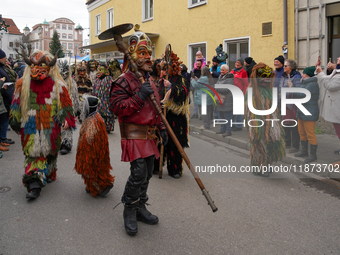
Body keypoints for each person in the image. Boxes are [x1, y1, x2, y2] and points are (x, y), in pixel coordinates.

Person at [110, 26, 168, 236]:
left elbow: (157, 108)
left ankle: (141, 206)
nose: (148, 57)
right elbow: (117, 108)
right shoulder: (123, 81)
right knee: (138, 173)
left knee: (148, 173)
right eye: (142, 54)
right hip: (134, 134)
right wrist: (139, 97)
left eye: (149, 54)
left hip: (150, 135)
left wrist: (161, 128)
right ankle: (129, 210)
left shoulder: (150, 80)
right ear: (133, 55)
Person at [9, 50, 76, 199]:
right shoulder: (22, 84)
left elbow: (66, 105)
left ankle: (49, 171)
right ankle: (34, 183)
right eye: (33, 65)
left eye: (42, 65)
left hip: (51, 127)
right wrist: (15, 121)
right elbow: (15, 106)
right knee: (34, 154)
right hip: (30, 128)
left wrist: (66, 119)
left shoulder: (58, 84)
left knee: (51, 151)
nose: (37, 69)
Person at [245, 63, 285, 177]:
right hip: (257, 122)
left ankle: (266, 164)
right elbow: (250, 111)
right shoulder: (251, 91)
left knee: (271, 142)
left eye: (268, 77)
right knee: (259, 144)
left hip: (271, 121)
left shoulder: (268, 90)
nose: (266, 79)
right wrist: (256, 125)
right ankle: (259, 167)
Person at [74, 94, 114, 197]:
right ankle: (99, 185)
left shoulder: (93, 121)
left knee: (91, 169)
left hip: (93, 152)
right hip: (97, 151)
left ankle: (100, 187)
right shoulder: (95, 117)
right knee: (97, 168)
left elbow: (89, 139)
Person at [160, 51, 190, 178]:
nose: (165, 70)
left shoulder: (181, 79)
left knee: (175, 143)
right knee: (160, 141)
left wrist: (171, 86)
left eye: (167, 68)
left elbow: (184, 93)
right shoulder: (161, 78)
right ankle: (157, 166)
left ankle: (175, 169)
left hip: (176, 118)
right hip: (162, 115)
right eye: (163, 68)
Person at [291, 66, 319, 163]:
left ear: (308, 75)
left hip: (309, 111)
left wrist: (292, 89)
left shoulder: (312, 84)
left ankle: (313, 155)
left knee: (310, 134)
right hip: (302, 110)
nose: (302, 75)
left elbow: (303, 95)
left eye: (304, 73)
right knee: (301, 132)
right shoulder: (305, 83)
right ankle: (304, 151)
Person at [315, 56, 340, 155]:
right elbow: (328, 79)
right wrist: (319, 69)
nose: (338, 58)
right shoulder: (337, 71)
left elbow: (329, 85)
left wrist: (320, 72)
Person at [57, 59, 81, 155]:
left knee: (67, 127)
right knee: (58, 125)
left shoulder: (71, 82)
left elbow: (75, 96)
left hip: (68, 107)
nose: (64, 74)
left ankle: (66, 144)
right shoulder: (55, 81)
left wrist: (76, 109)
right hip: (58, 107)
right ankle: (59, 142)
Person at [280, 59, 301, 153]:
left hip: (293, 104)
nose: (283, 67)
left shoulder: (296, 76)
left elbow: (299, 90)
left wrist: (291, 86)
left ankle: (295, 146)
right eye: (284, 66)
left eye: (285, 66)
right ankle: (287, 142)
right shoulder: (283, 76)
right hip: (284, 102)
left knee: (293, 125)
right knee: (285, 124)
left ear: (291, 67)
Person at [92, 63, 115, 132]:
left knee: (107, 115)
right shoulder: (97, 81)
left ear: (107, 72)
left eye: (101, 70)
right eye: (98, 70)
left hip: (107, 101)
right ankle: (99, 127)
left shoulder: (110, 80)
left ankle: (107, 127)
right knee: (98, 114)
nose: (98, 72)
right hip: (98, 101)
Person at [0, 50, 16, 147]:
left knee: (5, 119)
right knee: (3, 120)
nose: (6, 59)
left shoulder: (3, 68)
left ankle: (3, 138)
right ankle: (2, 139)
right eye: (4, 58)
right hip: (4, 98)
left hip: (6, 97)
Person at [214, 64, 234, 137]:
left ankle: (228, 131)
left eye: (223, 70)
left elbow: (227, 89)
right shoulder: (221, 77)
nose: (221, 71)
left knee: (227, 116)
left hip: (227, 100)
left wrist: (217, 88)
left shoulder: (229, 79)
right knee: (221, 115)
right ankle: (223, 129)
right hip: (221, 100)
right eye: (221, 70)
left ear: (227, 71)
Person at [230, 58, 248, 131]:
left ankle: (238, 126)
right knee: (232, 110)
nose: (237, 64)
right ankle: (233, 124)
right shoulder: (232, 71)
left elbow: (246, 84)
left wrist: (244, 93)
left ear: (241, 64)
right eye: (236, 62)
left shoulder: (243, 72)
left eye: (239, 63)